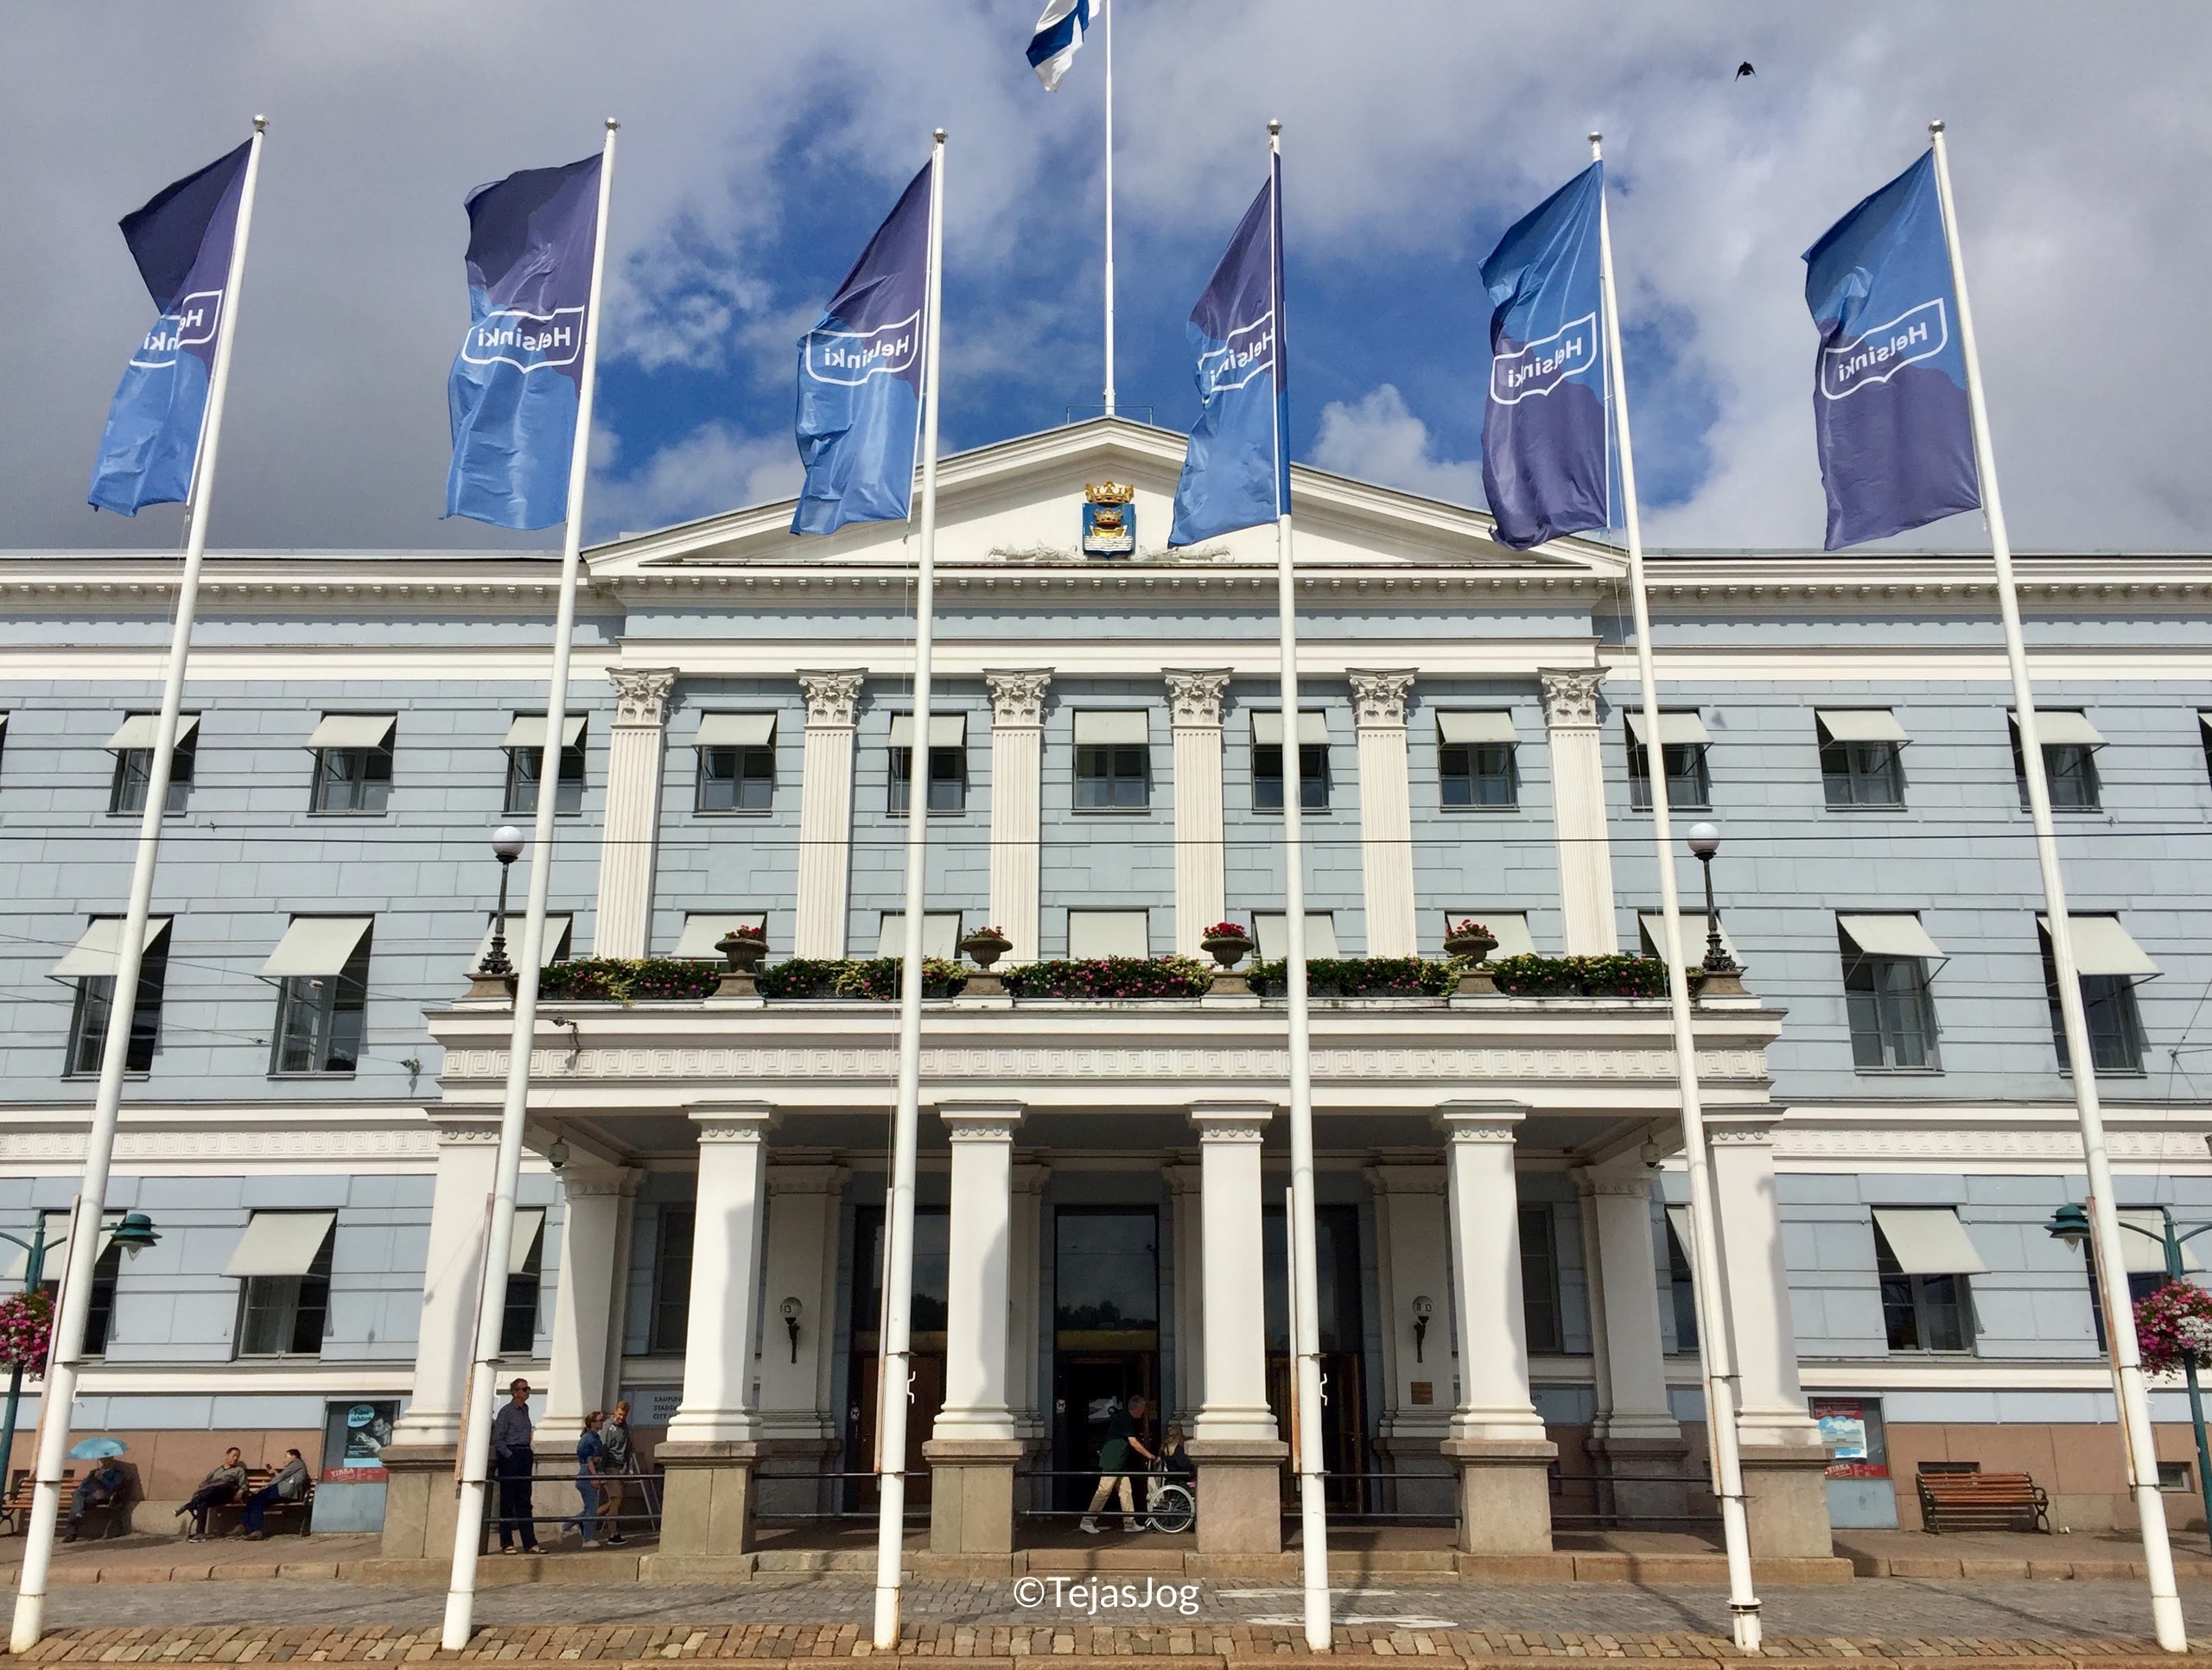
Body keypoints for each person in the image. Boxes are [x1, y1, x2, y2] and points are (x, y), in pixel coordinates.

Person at [1077, 1393, 1156, 1534]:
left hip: (1118, 1462)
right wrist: (1148, 1455)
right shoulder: (1125, 1419)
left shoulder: (1123, 1417)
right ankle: (1087, 1521)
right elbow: (1133, 1442)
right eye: (1143, 1408)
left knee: (1125, 1491)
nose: (1144, 1412)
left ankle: (1129, 1523)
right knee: (1103, 1491)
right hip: (1114, 1462)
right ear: (1138, 1408)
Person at [490, 1378, 540, 1554]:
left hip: (524, 1453)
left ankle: (530, 1543)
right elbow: (498, 1439)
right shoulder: (506, 1412)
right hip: (511, 1455)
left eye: (529, 1388)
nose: (528, 1392)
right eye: (525, 1389)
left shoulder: (526, 1410)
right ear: (515, 1392)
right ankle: (506, 1542)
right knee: (508, 1500)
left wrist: (529, 1453)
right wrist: (510, 1456)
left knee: (525, 1500)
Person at [174, 1447, 247, 1542]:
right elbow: (204, 1484)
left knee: (216, 1488)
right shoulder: (216, 1471)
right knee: (203, 1502)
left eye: (237, 1456)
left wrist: (240, 1493)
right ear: (227, 1456)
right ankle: (200, 1534)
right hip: (212, 1495)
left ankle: (188, 1505)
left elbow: (244, 1485)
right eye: (234, 1455)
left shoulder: (239, 1471)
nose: (236, 1458)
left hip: (226, 1492)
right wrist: (197, 1493)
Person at [238, 1448, 309, 1540]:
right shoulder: (296, 1466)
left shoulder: (297, 1462)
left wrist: (264, 1487)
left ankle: (254, 1529)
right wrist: (275, 1473)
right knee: (254, 1500)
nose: (284, 1459)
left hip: (284, 1492)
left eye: (286, 1456)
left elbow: (282, 1476)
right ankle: (246, 1526)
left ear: (294, 1456)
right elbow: (285, 1477)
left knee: (256, 1500)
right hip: (284, 1491)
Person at [564, 1411, 607, 1547]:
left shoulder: (596, 1438)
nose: (602, 1422)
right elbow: (587, 1459)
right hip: (586, 1474)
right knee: (592, 1509)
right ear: (593, 1423)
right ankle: (587, 1539)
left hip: (590, 1472)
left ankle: (564, 1527)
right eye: (600, 1420)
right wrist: (594, 1476)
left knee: (588, 1509)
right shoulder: (587, 1439)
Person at [63, 1457, 129, 1543]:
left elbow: (114, 1487)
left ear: (111, 1459)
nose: (104, 1461)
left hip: (102, 1495)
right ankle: (77, 1513)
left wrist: (102, 1478)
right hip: (87, 1494)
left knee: (76, 1506)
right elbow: (83, 1485)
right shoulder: (94, 1472)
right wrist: (89, 1482)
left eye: (106, 1459)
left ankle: (71, 1534)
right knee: (77, 1494)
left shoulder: (117, 1473)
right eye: (102, 1459)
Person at [598, 1400, 635, 1547]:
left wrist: (630, 1466)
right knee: (617, 1498)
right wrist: (601, 1471)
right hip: (609, 1468)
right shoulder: (608, 1427)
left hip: (620, 1467)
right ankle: (612, 1533)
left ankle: (586, 1518)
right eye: (620, 1414)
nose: (621, 1417)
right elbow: (603, 1450)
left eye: (624, 1415)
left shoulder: (625, 1428)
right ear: (615, 1411)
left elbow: (628, 1449)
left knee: (614, 1501)